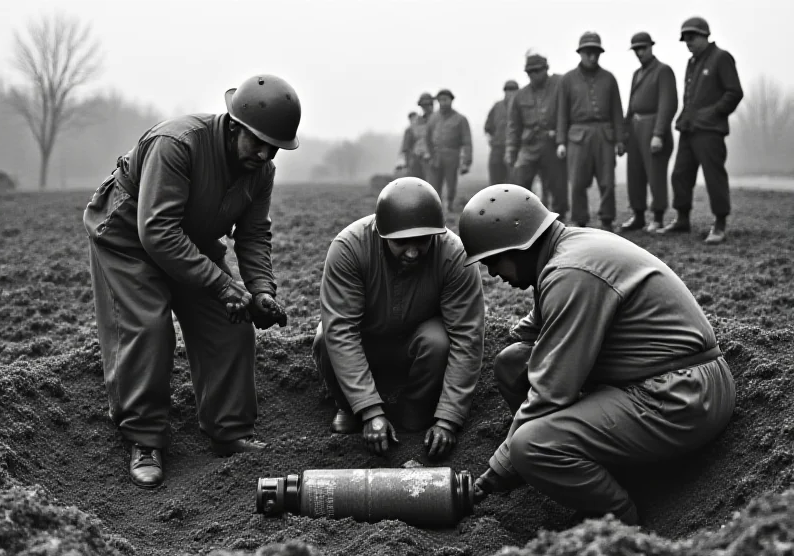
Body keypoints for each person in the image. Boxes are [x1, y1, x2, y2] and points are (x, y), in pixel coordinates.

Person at [457, 184, 736, 525]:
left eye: (493, 261)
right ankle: (571, 464)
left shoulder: (569, 273)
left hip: (681, 398)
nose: (494, 274)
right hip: (667, 380)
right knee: (513, 363)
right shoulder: (569, 248)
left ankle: (616, 519)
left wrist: (498, 470)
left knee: (531, 446)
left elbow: (551, 391)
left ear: (519, 247)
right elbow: (533, 332)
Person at [82, 74, 300, 489]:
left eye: (274, 147)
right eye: (258, 142)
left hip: (190, 238)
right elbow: (157, 232)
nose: (265, 153)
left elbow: (253, 234)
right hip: (129, 236)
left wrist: (260, 291)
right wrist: (221, 284)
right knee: (148, 327)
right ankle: (144, 438)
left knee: (231, 319)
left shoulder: (261, 170)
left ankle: (229, 429)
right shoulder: (178, 144)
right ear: (234, 125)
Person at [313, 177, 485, 458]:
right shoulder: (349, 248)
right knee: (325, 337)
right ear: (382, 235)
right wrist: (368, 410)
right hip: (364, 339)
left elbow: (467, 336)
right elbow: (342, 330)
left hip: (415, 348)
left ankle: (415, 406)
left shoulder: (454, 256)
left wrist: (449, 418)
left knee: (438, 340)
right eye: (402, 243)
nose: (413, 251)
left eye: (422, 241)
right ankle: (347, 405)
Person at [661, 16, 743, 244]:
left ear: (705, 35)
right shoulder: (692, 62)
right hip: (688, 129)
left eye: (692, 37)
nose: (688, 42)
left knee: (713, 176)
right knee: (679, 174)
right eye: (685, 38)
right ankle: (682, 218)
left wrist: (712, 113)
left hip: (710, 130)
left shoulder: (721, 58)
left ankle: (720, 224)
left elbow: (734, 93)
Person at [556, 32, 626, 231]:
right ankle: (580, 221)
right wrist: (561, 141)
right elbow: (561, 112)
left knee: (607, 181)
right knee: (577, 181)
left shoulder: (609, 78)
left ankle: (607, 220)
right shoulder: (567, 80)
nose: (592, 56)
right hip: (577, 135)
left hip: (604, 134)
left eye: (596, 52)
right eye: (588, 52)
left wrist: (620, 139)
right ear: (580, 53)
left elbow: (617, 111)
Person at [621, 32, 678, 233]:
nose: (639, 52)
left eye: (643, 48)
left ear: (651, 47)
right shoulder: (637, 73)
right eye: (636, 49)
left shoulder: (663, 71)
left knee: (655, 175)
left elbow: (668, 104)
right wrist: (624, 134)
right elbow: (631, 106)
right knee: (634, 173)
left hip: (653, 127)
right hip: (636, 129)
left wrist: (659, 133)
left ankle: (658, 217)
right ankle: (638, 215)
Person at [506, 51, 568, 220]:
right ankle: (520, 218)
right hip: (529, 145)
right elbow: (513, 126)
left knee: (558, 185)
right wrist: (511, 151)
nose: (534, 75)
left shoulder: (559, 85)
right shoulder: (520, 95)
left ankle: (559, 219)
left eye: (538, 71)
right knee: (519, 184)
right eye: (530, 72)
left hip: (552, 143)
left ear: (546, 69)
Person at [426, 89, 473, 212]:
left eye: (445, 100)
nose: (443, 103)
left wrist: (466, 161)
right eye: (440, 100)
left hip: (452, 155)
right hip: (435, 156)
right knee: (434, 184)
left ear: (451, 100)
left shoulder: (460, 119)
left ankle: (449, 205)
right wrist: (430, 155)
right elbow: (427, 139)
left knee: (451, 183)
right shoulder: (433, 118)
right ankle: (435, 208)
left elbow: (467, 142)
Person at [485, 80, 519, 185]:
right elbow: (488, 127)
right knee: (495, 179)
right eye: (508, 90)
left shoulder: (521, 106)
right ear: (504, 92)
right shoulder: (497, 106)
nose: (510, 93)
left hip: (515, 149)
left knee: (514, 180)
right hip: (498, 147)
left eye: (513, 90)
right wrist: (491, 139)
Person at [397, 93, 435, 180]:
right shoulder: (417, 122)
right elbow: (406, 145)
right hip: (417, 158)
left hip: (433, 158)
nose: (426, 107)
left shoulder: (438, 119)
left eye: (428, 105)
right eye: (423, 105)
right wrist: (404, 160)